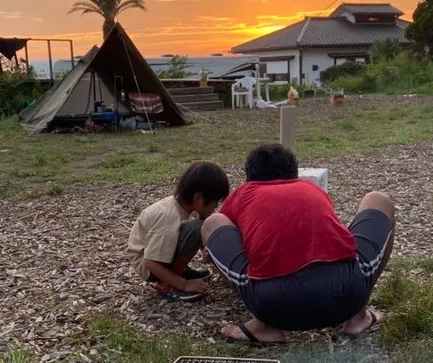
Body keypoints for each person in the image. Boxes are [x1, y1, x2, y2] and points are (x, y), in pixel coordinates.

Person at [203, 144, 394, 344]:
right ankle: (358, 317)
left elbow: (211, 253)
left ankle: (264, 326)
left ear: (249, 178)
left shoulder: (244, 193)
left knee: (213, 223)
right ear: (295, 173)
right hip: (346, 294)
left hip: (274, 306)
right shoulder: (311, 189)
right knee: (379, 200)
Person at [128, 160, 230, 302]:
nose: (215, 207)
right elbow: (150, 262)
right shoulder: (168, 218)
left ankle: (177, 272)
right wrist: (184, 284)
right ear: (199, 198)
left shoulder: (186, 206)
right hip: (149, 265)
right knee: (196, 228)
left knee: (199, 226)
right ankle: (169, 283)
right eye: (215, 202)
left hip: (156, 254)